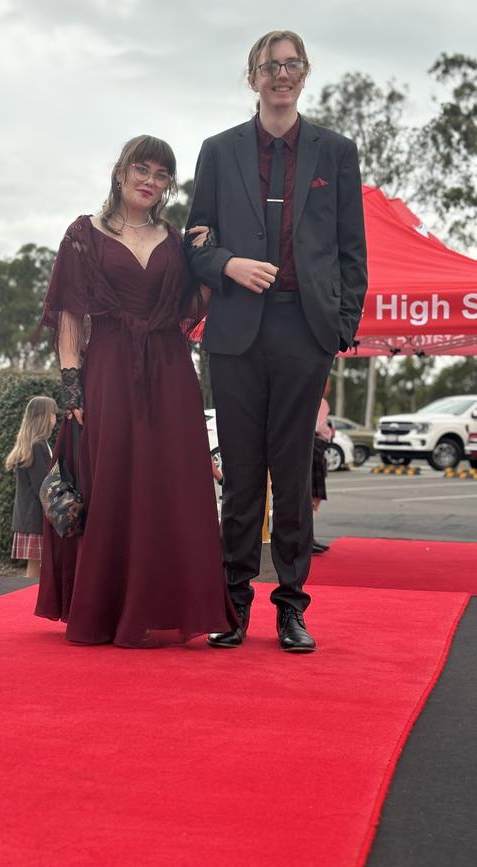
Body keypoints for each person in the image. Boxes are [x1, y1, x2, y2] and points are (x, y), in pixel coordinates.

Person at [185, 30, 368, 651]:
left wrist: (340, 329)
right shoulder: (217, 150)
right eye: (270, 66)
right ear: (253, 77)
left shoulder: (336, 153)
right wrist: (229, 265)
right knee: (239, 476)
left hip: (304, 330)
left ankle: (292, 606)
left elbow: (351, 251)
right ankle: (231, 603)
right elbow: (196, 241)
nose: (281, 75)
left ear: (305, 73)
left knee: (292, 476)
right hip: (234, 332)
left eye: (291, 66)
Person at [33, 134, 237, 648]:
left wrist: (212, 256)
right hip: (107, 371)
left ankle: (165, 606)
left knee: (171, 485)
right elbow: (70, 317)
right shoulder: (85, 234)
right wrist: (72, 389)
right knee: (113, 482)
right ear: (121, 172)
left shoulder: (175, 239)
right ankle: (107, 610)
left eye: (161, 174)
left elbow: (194, 304)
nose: (150, 180)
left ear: (167, 186)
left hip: (170, 371)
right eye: (142, 169)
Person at [6, 396, 58, 579]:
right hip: (36, 518)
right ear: (44, 417)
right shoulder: (38, 447)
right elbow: (42, 487)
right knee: (35, 571)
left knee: (35, 568)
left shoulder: (35, 445)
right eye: (53, 414)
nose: (55, 418)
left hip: (29, 517)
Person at [312, 378, 333, 554]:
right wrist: (328, 431)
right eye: (328, 384)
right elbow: (319, 425)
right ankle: (308, 537)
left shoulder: (306, 398)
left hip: (308, 447)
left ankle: (308, 537)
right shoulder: (321, 402)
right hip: (316, 447)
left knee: (309, 495)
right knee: (314, 495)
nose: (329, 388)